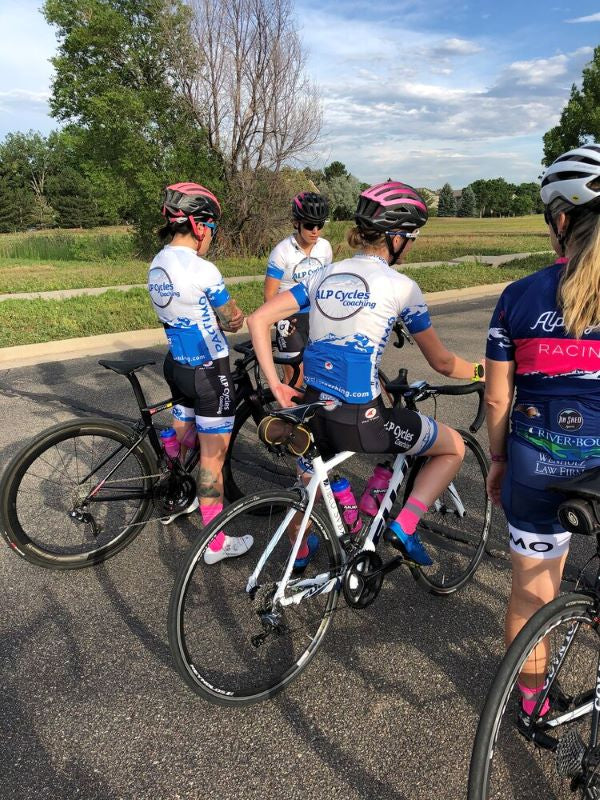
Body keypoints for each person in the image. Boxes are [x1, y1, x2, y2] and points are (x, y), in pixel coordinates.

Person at [249, 181, 483, 568]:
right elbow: (442, 363)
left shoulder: (324, 274)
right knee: (452, 446)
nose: (412, 244)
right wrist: (481, 369)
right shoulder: (401, 287)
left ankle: (299, 557)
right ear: (394, 238)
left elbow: (259, 319)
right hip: (362, 419)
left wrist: (276, 384)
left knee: (308, 487)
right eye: (411, 237)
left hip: (312, 409)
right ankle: (405, 527)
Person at [485, 144, 600, 721]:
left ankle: (530, 706)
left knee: (531, 595)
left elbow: (498, 396)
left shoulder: (518, 295)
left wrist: (498, 461)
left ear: (560, 220)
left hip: (535, 464)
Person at [148, 181, 253, 564]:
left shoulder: (156, 263)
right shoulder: (203, 269)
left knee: (183, 433)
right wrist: (238, 317)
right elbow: (232, 321)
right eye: (213, 229)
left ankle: (175, 477)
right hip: (210, 373)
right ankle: (215, 543)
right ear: (200, 226)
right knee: (212, 460)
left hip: (176, 365)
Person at [264, 192, 333, 386]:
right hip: (290, 318)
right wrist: (278, 322)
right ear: (296, 223)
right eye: (310, 225)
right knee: (295, 379)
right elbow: (269, 295)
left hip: (317, 317)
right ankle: (282, 416)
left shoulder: (325, 248)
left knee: (321, 375)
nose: (316, 231)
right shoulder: (281, 251)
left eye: (320, 225)